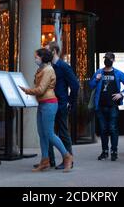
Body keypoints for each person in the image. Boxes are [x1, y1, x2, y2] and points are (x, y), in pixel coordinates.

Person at [19, 48, 73, 172]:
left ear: (42, 57)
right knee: (42, 134)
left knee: (49, 134)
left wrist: (26, 90)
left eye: (36, 57)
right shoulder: (42, 69)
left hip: (49, 103)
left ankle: (67, 156)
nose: (35, 59)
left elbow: (41, 89)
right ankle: (45, 161)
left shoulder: (48, 70)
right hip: (43, 103)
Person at [89, 52, 124, 161]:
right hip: (100, 106)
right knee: (103, 129)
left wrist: (121, 94)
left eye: (109, 58)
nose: (107, 60)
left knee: (112, 128)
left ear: (113, 60)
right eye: (106, 58)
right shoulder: (99, 72)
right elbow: (91, 85)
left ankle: (114, 151)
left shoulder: (117, 73)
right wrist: (96, 79)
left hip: (113, 106)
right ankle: (104, 151)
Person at [47, 41, 79, 170]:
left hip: (60, 104)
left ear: (54, 51)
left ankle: (68, 160)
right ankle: (49, 160)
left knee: (63, 133)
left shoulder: (64, 66)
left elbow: (75, 85)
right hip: (51, 103)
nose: (45, 53)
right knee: (48, 131)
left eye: (47, 50)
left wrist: (70, 102)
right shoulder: (50, 67)